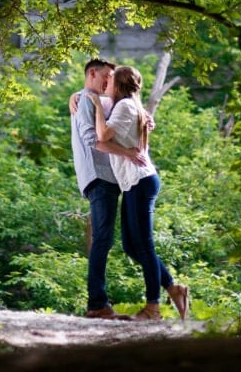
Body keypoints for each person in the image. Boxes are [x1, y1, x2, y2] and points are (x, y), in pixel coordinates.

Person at [87, 65, 189, 321]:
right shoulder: (130, 106)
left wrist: (97, 108)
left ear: (119, 86)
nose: (106, 85)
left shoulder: (125, 107)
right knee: (132, 247)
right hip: (134, 182)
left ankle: (153, 308)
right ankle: (173, 288)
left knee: (143, 245)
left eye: (110, 82)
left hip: (140, 181)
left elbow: (103, 134)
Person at [70, 58, 148, 319]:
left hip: (111, 179)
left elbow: (123, 113)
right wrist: (128, 153)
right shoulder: (85, 99)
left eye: (113, 78)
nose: (109, 81)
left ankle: (100, 303)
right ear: (92, 72)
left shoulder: (100, 100)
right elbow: (95, 142)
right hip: (98, 177)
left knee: (111, 240)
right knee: (103, 238)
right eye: (106, 76)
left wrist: (145, 118)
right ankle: (97, 305)